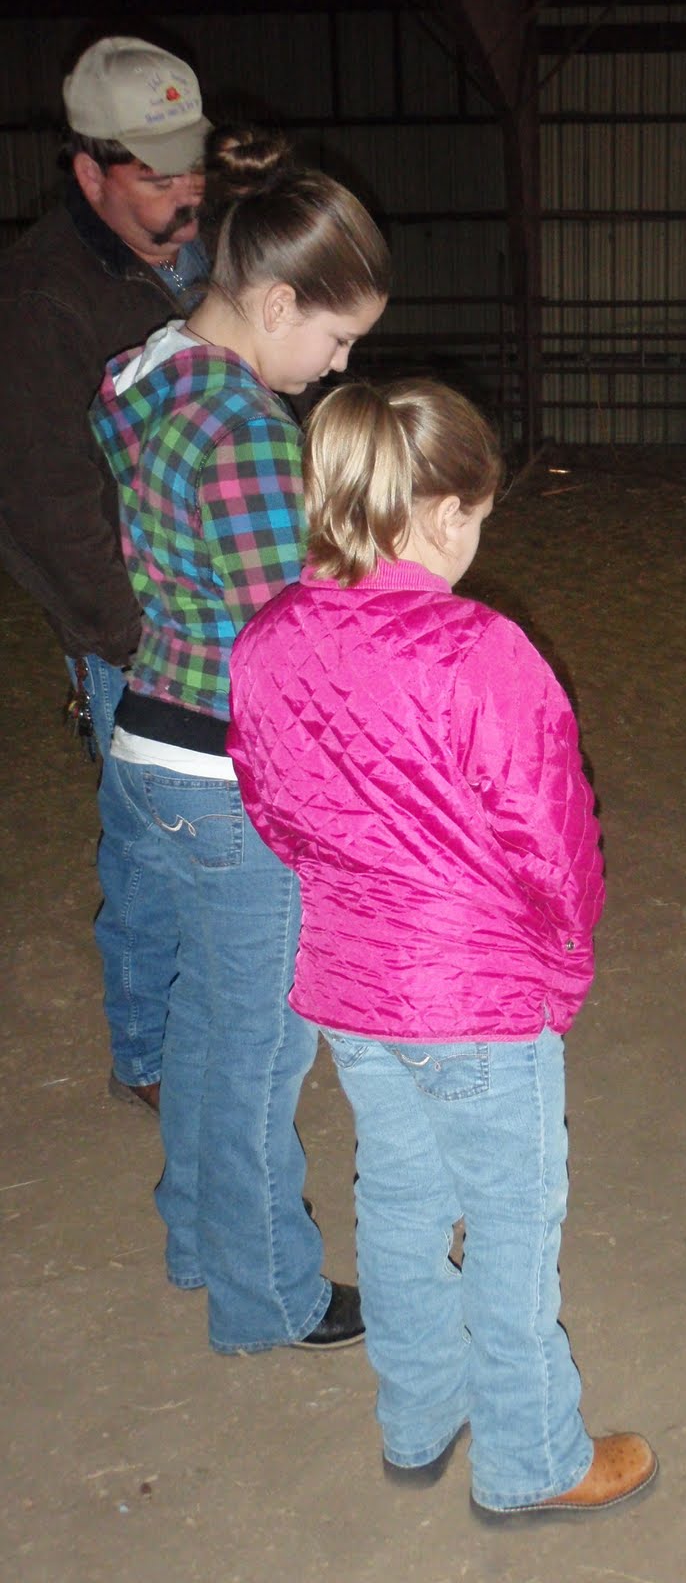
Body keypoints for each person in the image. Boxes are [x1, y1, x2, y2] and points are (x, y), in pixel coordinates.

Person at [226, 379, 658, 1512]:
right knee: (514, 1222)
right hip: (476, 992)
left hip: (349, 983)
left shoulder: (269, 639)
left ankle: (418, 1414)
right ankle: (535, 1459)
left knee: (402, 1198)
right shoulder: (479, 652)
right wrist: (566, 953)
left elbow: (270, 808)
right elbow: (553, 838)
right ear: (451, 511)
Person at [87, 129, 390, 1351]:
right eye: (335, 339)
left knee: (208, 1026)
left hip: (147, 739)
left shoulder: (144, 374)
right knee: (262, 1053)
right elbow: (291, 642)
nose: (335, 366)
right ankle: (272, 1294)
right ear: (271, 301)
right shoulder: (252, 431)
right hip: (233, 775)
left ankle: (198, 1236)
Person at [0, 35, 213, 1114]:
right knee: (148, 838)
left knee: (208, 823)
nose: (185, 193)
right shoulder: (46, 299)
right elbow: (39, 501)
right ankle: (148, 1050)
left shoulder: (185, 255)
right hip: (138, 629)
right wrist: (126, 638)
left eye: (192, 166)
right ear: (90, 171)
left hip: (210, 605)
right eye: (157, 173)